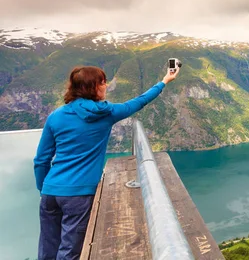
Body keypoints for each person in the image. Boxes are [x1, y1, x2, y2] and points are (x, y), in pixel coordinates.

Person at [33, 65, 180, 260]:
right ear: (93, 87)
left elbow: (41, 160)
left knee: (47, 248)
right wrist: (164, 81)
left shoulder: (55, 116)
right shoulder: (106, 113)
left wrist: (43, 188)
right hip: (79, 193)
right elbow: (139, 102)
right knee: (70, 251)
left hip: (51, 192)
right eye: (102, 82)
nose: (106, 85)